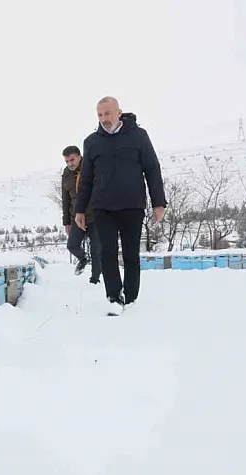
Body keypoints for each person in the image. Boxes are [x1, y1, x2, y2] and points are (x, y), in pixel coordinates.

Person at [74, 96, 167, 315]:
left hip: (132, 205)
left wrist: (158, 203)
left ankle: (131, 297)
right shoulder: (91, 142)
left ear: (119, 112)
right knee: (107, 253)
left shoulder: (138, 136)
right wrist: (79, 209)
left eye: (107, 113)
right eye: (100, 115)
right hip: (103, 207)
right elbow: (86, 179)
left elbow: (152, 168)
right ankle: (114, 298)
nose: (103, 118)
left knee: (131, 254)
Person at [61, 145, 101, 284]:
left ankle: (95, 280)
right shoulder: (66, 174)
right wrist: (66, 222)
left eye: (72, 160)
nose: (70, 164)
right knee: (72, 245)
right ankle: (83, 259)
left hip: (95, 216)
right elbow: (65, 199)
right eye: (67, 161)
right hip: (76, 218)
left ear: (80, 157)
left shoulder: (92, 167)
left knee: (96, 250)